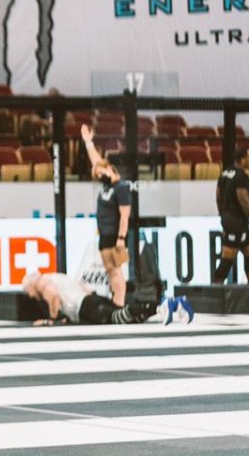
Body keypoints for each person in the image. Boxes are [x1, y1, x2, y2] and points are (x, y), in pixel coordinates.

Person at [80, 125, 130, 305]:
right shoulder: (106, 185)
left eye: (101, 172)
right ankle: (116, 302)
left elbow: (124, 215)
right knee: (109, 269)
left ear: (110, 169)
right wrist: (88, 143)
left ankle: (119, 303)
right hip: (104, 233)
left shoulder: (121, 187)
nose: (99, 175)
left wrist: (121, 238)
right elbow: (96, 161)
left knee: (116, 270)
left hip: (114, 234)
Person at [22, 272, 168, 325]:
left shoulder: (41, 283)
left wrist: (51, 320)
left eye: (28, 291)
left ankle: (157, 307)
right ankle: (158, 308)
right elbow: (83, 286)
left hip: (85, 306)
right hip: (92, 298)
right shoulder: (57, 276)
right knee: (123, 315)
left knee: (118, 317)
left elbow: (52, 295)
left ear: (31, 285)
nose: (30, 295)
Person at [213, 147, 249, 284]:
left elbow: (218, 196)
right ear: (242, 159)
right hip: (236, 223)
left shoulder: (225, 173)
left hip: (234, 221)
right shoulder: (242, 177)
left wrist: (223, 215)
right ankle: (214, 293)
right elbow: (244, 201)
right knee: (226, 262)